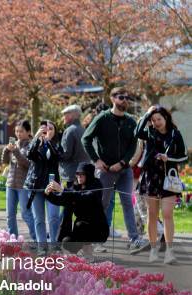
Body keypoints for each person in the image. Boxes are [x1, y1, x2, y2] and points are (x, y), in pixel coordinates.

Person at [82, 87, 149, 254]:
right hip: (105, 171)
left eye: (127, 97)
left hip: (124, 170)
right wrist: (96, 160)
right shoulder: (102, 118)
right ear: (112, 99)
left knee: (127, 203)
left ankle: (134, 239)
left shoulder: (130, 121)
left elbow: (133, 145)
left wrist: (123, 162)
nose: (125, 100)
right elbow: (86, 139)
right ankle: (97, 241)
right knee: (102, 205)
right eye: (121, 97)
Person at [135, 105, 188, 264]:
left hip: (168, 178)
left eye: (159, 119)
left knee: (167, 214)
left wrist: (168, 158)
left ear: (166, 118)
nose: (156, 122)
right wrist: (147, 114)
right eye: (153, 120)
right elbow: (137, 132)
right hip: (151, 177)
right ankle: (153, 250)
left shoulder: (175, 134)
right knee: (152, 214)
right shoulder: (149, 133)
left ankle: (169, 252)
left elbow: (183, 156)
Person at [45, 162, 109, 261]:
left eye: (82, 174)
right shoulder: (76, 187)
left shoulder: (96, 185)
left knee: (81, 225)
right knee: (67, 242)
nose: (79, 176)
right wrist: (48, 194)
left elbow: (85, 197)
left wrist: (62, 190)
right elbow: (62, 199)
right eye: (77, 174)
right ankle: (81, 255)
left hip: (98, 228)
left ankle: (88, 254)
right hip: (81, 227)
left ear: (89, 174)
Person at [24, 120, 62, 253]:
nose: (47, 131)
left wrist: (49, 141)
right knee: (39, 219)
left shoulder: (57, 145)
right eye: (44, 129)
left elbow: (57, 157)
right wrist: (36, 139)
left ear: (55, 132)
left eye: (51, 128)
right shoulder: (35, 143)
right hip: (36, 186)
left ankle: (54, 245)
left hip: (52, 186)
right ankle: (42, 247)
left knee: (54, 217)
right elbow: (29, 155)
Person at [2, 120, 36, 241]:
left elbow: (27, 164)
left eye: (21, 131)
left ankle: (37, 238)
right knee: (10, 215)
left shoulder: (31, 146)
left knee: (26, 214)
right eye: (16, 131)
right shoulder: (14, 144)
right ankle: (13, 240)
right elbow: (5, 162)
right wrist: (6, 151)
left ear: (28, 132)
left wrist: (15, 151)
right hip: (11, 184)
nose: (18, 133)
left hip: (23, 185)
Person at [59, 105, 89, 186]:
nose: (63, 117)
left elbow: (66, 154)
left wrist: (54, 153)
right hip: (83, 174)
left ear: (71, 115)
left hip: (71, 175)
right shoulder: (84, 130)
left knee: (69, 198)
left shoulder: (69, 131)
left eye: (65, 114)